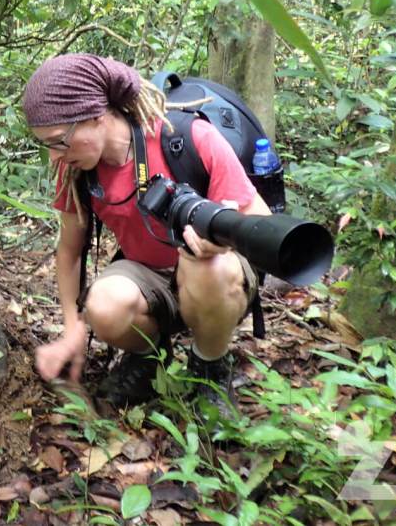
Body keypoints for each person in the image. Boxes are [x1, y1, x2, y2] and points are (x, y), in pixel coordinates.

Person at [22, 54, 272, 415]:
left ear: (96, 115)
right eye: (45, 144)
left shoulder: (185, 137)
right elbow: (70, 252)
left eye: (59, 141)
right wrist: (72, 328)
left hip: (215, 274)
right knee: (103, 305)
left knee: (210, 267)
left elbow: (261, 221)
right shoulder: (77, 169)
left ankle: (210, 366)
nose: (53, 156)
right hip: (148, 276)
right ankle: (148, 358)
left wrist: (220, 240)